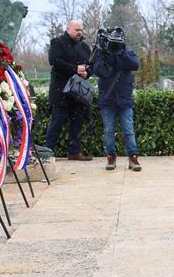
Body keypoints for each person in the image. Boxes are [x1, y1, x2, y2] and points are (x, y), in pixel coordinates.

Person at [92, 27, 142, 171]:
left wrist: (122, 52)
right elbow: (97, 71)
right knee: (108, 130)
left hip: (124, 99)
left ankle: (133, 159)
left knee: (129, 130)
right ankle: (111, 158)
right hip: (107, 99)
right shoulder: (103, 53)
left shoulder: (128, 53)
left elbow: (135, 65)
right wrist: (105, 51)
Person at [44, 19, 93, 161]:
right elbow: (54, 61)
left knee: (77, 122)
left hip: (77, 92)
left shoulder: (84, 47)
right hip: (61, 91)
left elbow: (90, 66)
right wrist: (74, 69)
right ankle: (48, 152)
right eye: (76, 30)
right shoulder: (57, 42)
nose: (79, 32)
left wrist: (87, 73)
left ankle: (74, 152)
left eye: (81, 30)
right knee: (57, 122)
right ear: (68, 29)